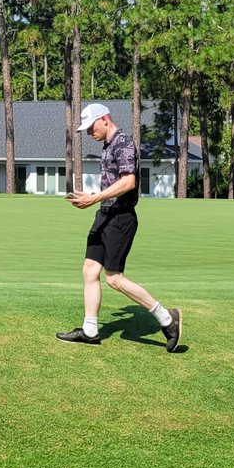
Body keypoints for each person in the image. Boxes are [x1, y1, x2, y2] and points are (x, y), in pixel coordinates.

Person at [56, 103, 181, 352]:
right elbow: (114, 186)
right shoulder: (107, 146)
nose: (90, 132)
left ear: (104, 119)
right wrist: (93, 197)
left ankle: (167, 318)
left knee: (114, 279)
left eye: (91, 126)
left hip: (121, 218)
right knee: (90, 270)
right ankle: (90, 330)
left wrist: (95, 197)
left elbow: (129, 182)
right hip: (105, 213)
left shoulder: (123, 143)